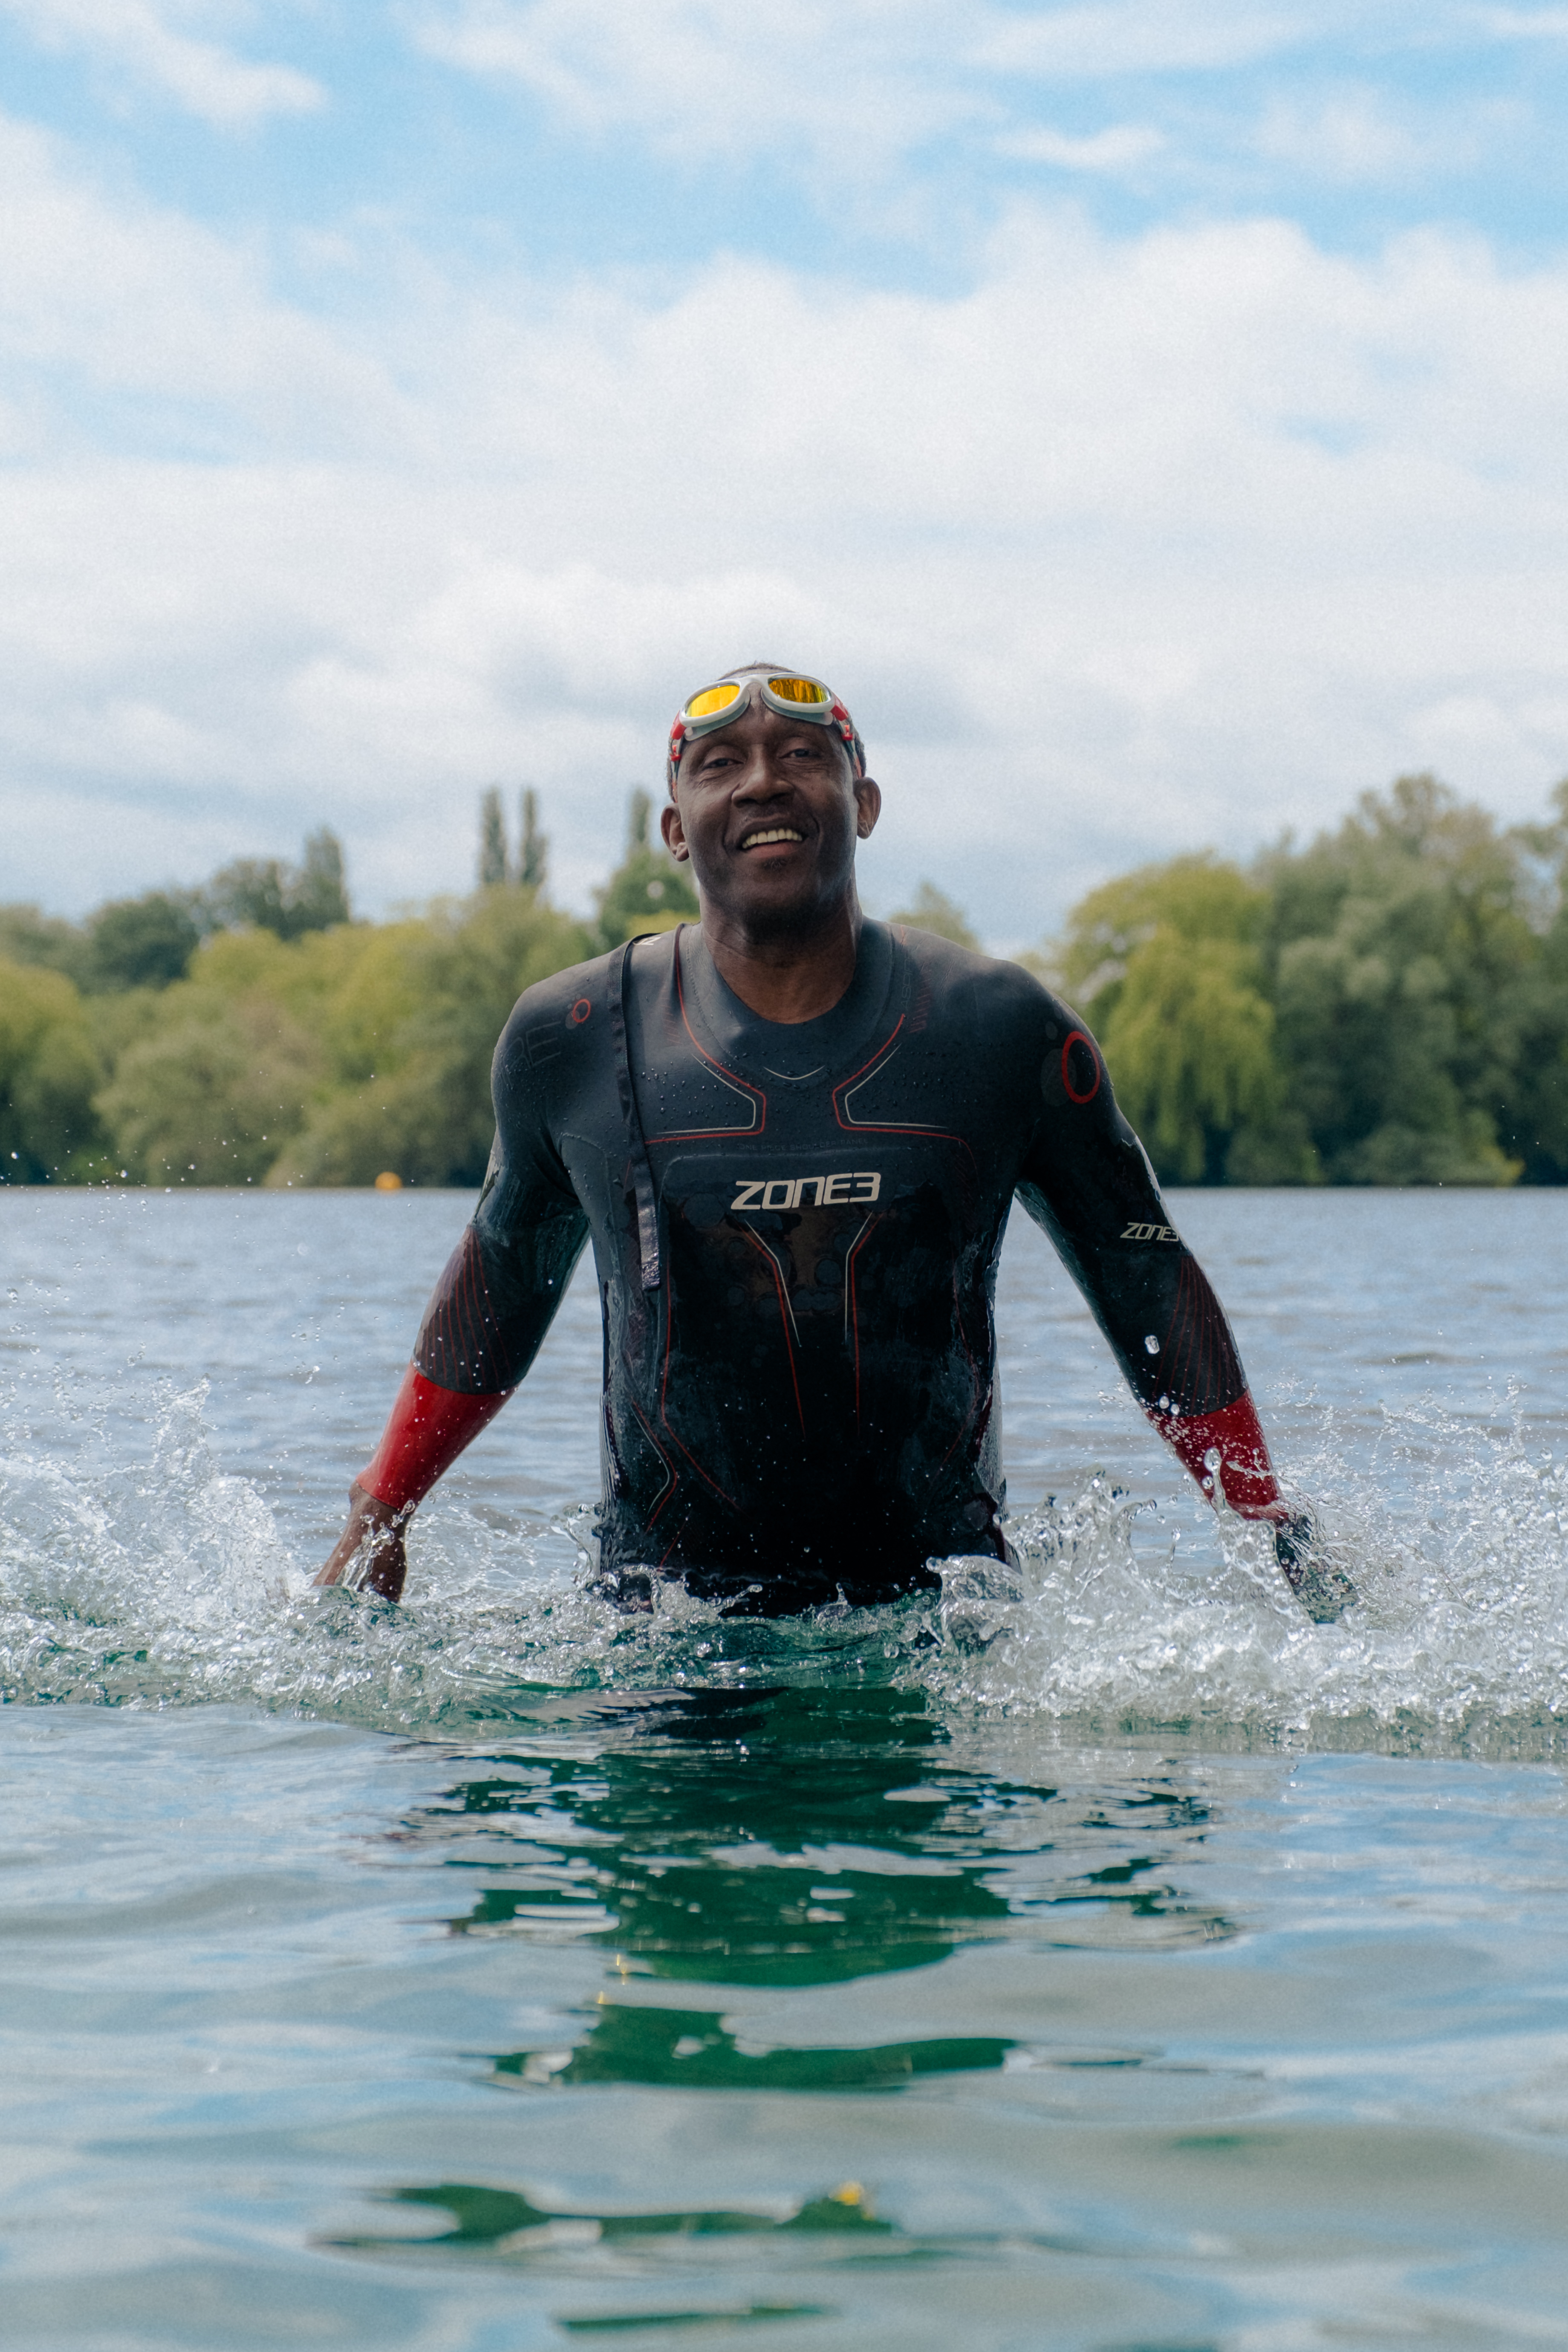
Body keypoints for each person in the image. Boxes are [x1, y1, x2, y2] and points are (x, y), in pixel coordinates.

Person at [317, 662, 1351, 1622]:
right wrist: (381, 1509)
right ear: (676, 828)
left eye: (804, 755)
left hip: (943, 1618)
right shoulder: (572, 1038)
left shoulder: (998, 1029)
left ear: (863, 804)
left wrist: (1263, 1522)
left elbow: (1142, 1278)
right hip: (661, 1624)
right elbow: (499, 1284)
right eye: (720, 765)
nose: (763, 782)